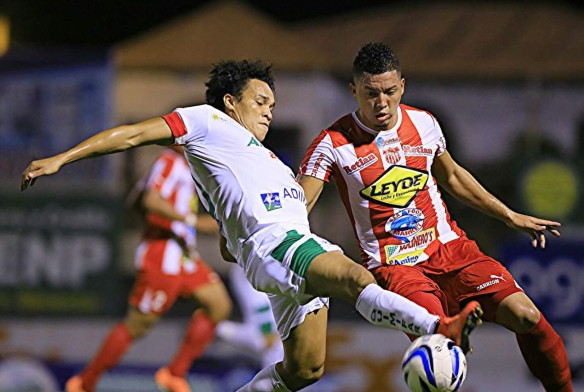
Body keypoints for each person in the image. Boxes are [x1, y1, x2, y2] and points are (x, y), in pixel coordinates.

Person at [21, 59, 482, 392]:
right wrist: (63, 158)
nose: (269, 111)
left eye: (273, 104)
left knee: (305, 370)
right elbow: (134, 135)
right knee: (353, 276)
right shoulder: (208, 123)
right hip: (279, 247)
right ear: (229, 101)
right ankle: (437, 326)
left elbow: (226, 242)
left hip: (284, 250)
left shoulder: (268, 163)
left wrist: (231, 236)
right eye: (260, 100)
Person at [297, 42, 572, 392]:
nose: (381, 103)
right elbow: (299, 204)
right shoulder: (332, 143)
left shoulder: (424, 123)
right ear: (354, 91)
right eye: (370, 94)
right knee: (442, 343)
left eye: (389, 92)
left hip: (450, 249)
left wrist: (508, 215)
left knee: (527, 316)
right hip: (396, 268)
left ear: (402, 87)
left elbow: (453, 176)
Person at [65, 146, 232, 392]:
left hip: (185, 257)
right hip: (161, 259)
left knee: (219, 305)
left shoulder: (190, 168)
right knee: (137, 325)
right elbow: (151, 200)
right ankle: (84, 383)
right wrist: (193, 221)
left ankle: (174, 373)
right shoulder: (170, 161)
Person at [216, 263, 284, 368]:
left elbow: (225, 330)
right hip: (271, 271)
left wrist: (217, 327)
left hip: (246, 274)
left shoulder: (258, 341)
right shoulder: (293, 328)